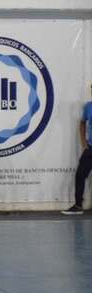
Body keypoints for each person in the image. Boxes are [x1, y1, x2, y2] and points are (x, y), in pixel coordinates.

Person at [62, 87, 92, 215]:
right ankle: (78, 205)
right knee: (80, 175)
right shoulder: (88, 107)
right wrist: (84, 143)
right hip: (90, 148)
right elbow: (82, 123)